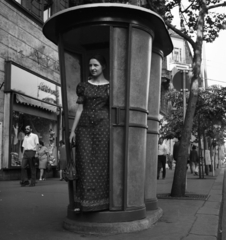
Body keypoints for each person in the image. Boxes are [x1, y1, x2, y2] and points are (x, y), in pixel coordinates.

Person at [69, 54, 109, 212]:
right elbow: (80, 109)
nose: (92, 68)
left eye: (96, 65)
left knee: (101, 163)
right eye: (90, 65)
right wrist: (73, 131)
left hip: (103, 127)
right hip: (84, 127)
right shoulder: (83, 86)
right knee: (84, 162)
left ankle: (101, 201)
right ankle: (83, 202)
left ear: (103, 67)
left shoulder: (110, 86)